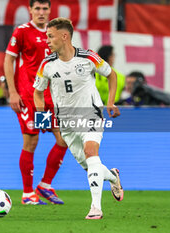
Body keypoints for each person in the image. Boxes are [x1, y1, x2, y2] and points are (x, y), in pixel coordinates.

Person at [33, 17, 124, 219]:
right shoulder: (46, 64)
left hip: (90, 114)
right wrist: (41, 115)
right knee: (89, 164)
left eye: (50, 36)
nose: (47, 40)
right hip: (66, 122)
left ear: (64, 36)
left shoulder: (88, 57)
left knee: (91, 151)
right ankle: (112, 176)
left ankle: (95, 208)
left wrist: (110, 101)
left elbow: (111, 75)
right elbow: (38, 92)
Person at [3, 0, 68, 205]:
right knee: (31, 141)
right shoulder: (21, 32)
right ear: (30, 10)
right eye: (37, 9)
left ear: (50, 10)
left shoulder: (56, 33)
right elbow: (8, 60)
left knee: (63, 139)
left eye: (44, 9)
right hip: (29, 97)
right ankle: (27, 193)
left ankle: (45, 185)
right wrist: (12, 92)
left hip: (52, 98)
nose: (41, 12)